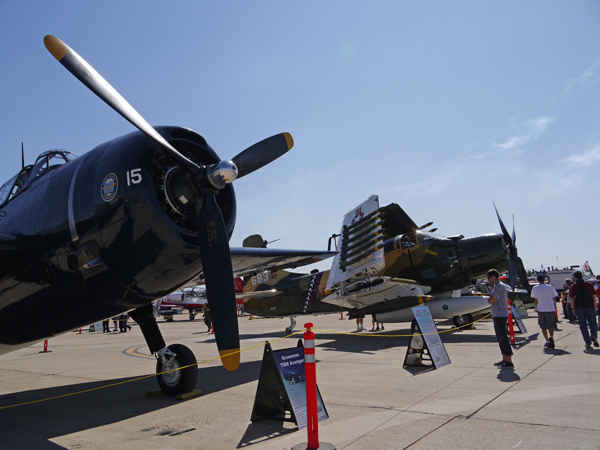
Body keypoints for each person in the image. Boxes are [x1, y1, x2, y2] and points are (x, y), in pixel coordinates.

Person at [486, 269, 513, 368]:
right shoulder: (498, 287)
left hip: (500, 315)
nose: (488, 280)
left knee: (503, 338)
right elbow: (494, 299)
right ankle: (505, 358)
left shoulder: (499, 286)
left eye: (489, 278)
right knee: (500, 338)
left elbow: (490, 300)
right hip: (498, 314)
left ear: (493, 277)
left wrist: (493, 299)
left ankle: (509, 360)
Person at [569, 270, 599, 349]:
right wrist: (595, 306)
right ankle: (594, 336)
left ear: (575, 278)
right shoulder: (589, 284)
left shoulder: (573, 286)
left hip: (579, 308)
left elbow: (572, 298)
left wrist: (573, 308)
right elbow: (594, 296)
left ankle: (588, 342)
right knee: (593, 323)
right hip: (590, 307)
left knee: (583, 326)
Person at [531, 274, 558, 349]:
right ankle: (551, 336)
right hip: (550, 308)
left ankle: (547, 340)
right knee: (551, 325)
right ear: (544, 279)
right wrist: (550, 303)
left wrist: (536, 307)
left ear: (538, 280)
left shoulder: (535, 288)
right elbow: (554, 298)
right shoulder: (550, 287)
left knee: (543, 326)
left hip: (541, 309)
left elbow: (535, 300)